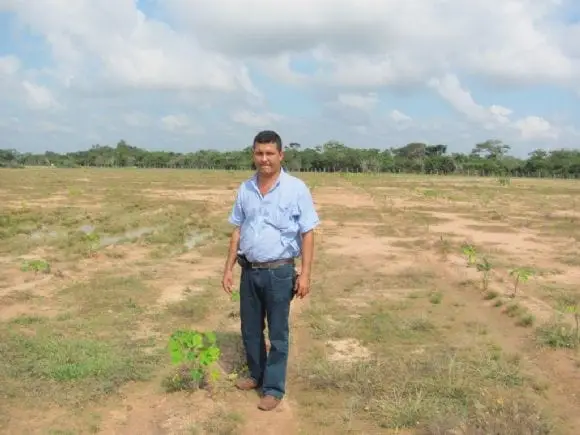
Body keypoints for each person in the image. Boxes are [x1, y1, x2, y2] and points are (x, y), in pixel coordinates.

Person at [221, 130, 320, 411]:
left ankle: (273, 388)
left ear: (280, 155)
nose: (264, 159)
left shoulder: (296, 189)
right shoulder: (245, 189)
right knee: (250, 329)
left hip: (279, 272)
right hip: (249, 271)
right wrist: (228, 269)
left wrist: (305, 274)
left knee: (278, 333)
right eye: (259, 153)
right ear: (253, 155)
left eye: (269, 154)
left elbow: (308, 233)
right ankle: (256, 374)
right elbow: (237, 231)